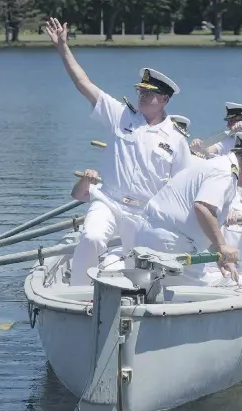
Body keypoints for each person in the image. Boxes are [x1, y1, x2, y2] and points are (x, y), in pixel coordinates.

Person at [45, 17, 192, 286]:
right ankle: (78, 293)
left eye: (150, 93)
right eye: (141, 91)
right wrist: (63, 47)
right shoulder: (121, 115)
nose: (143, 96)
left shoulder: (176, 139)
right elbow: (83, 84)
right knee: (91, 237)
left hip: (145, 213)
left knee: (140, 269)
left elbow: (183, 187)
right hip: (109, 200)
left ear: (165, 99)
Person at [133, 131, 242, 283]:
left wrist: (219, 253)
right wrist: (222, 245)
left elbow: (203, 222)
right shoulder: (224, 173)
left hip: (160, 235)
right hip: (169, 242)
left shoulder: (220, 166)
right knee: (235, 286)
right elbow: (203, 208)